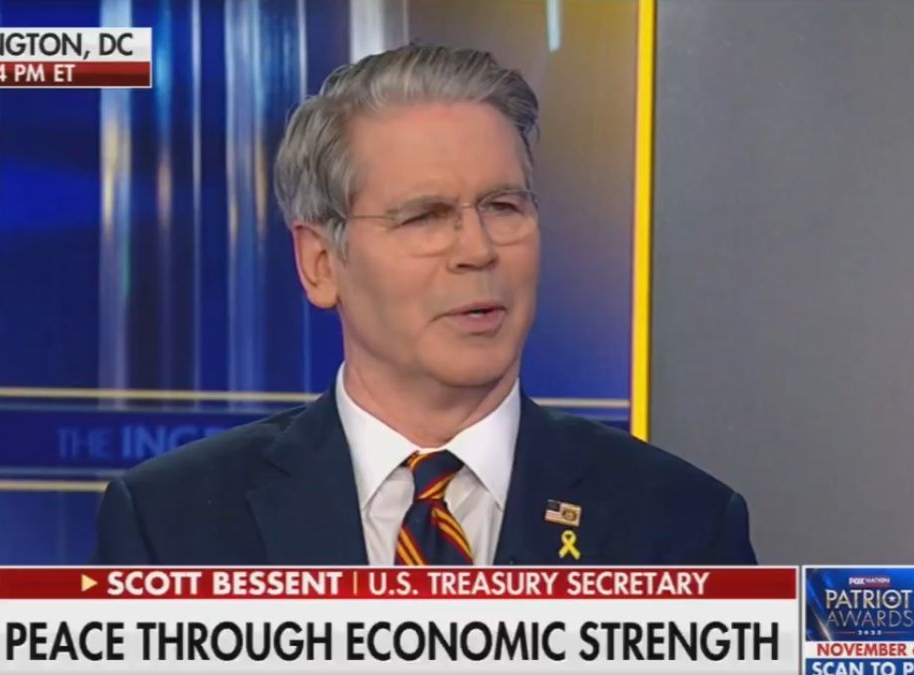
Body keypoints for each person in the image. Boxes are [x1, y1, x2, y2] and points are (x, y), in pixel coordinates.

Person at [91, 44, 756, 566]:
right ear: (320, 263)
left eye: (503, 206)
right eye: (425, 217)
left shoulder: (681, 525)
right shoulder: (171, 525)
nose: (478, 249)